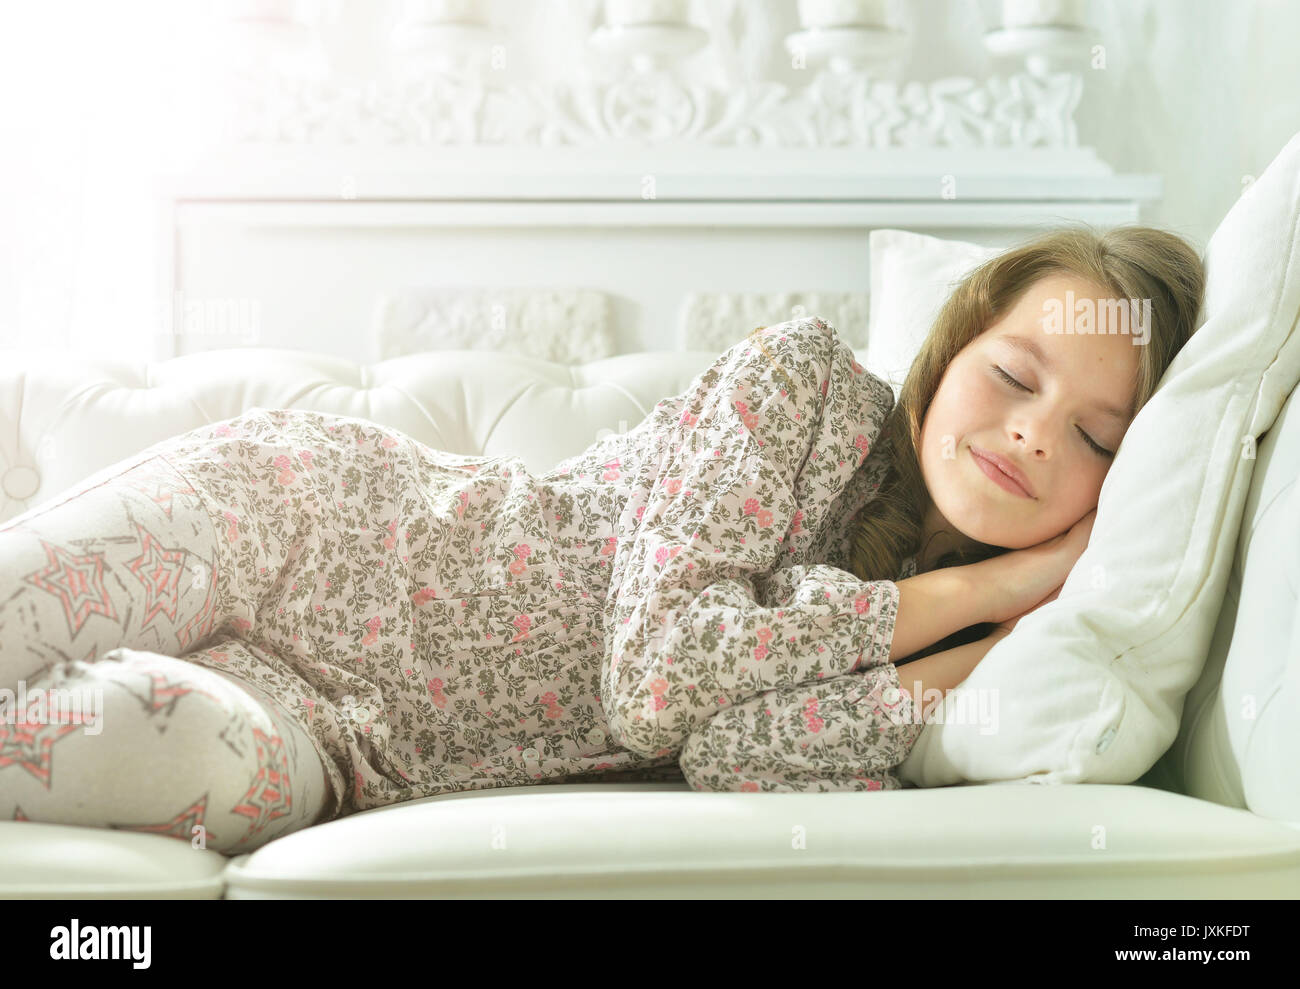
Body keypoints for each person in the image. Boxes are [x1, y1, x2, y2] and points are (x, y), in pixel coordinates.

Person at [0, 224, 1204, 854]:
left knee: (111, 739)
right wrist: (997, 582)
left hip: (347, 747)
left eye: (1097, 437)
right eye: (1012, 373)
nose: (1034, 434)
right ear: (953, 353)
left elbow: (741, 750)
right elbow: (657, 676)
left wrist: (989, 623)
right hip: (307, 522)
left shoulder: (984, 658)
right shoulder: (804, 387)